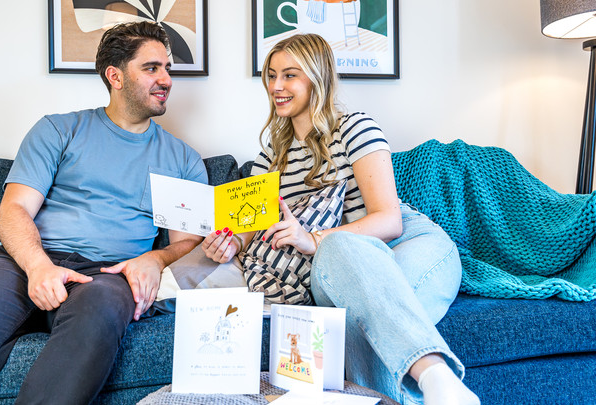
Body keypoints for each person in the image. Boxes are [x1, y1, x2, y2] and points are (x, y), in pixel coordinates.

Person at [0, 21, 207, 405]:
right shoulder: (58, 130)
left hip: (108, 274)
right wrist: (38, 267)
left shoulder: (183, 161)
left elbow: (187, 244)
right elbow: (13, 210)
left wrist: (155, 259)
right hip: (23, 261)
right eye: (151, 68)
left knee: (99, 316)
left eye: (167, 69)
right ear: (115, 76)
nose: (166, 80)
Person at [201, 34, 480, 405]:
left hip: (408, 242)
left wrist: (312, 239)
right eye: (271, 75)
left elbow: (390, 220)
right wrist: (231, 242)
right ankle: (438, 379)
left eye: (289, 75)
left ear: (317, 78)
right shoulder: (270, 156)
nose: (276, 86)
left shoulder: (355, 128)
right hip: (335, 267)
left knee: (357, 314)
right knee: (341, 255)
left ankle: (437, 381)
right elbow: (252, 226)